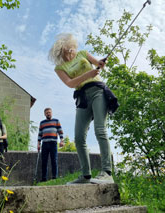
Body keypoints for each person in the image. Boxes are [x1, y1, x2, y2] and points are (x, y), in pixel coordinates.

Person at [48, 33, 118, 184]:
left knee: (100, 129)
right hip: (82, 97)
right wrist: (88, 74)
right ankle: (86, 175)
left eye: (71, 50)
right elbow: (70, 83)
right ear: (60, 53)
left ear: (74, 47)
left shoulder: (83, 53)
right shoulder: (59, 68)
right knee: (79, 137)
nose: (70, 54)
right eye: (66, 52)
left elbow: (98, 63)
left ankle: (107, 172)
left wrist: (100, 63)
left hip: (99, 91)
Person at [37, 107, 64, 181]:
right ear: (44, 114)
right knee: (44, 161)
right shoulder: (42, 123)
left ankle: (54, 177)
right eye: (46, 113)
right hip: (45, 143)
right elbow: (40, 134)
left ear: (51, 113)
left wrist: (62, 141)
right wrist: (38, 144)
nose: (48, 114)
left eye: (49, 112)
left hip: (53, 143)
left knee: (54, 160)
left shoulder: (56, 121)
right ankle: (44, 178)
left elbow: (60, 132)